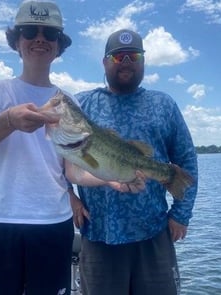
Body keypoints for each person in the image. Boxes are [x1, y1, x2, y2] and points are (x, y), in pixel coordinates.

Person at [66, 29, 198, 295]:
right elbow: (57, 159)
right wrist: (69, 196)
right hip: (99, 236)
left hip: (153, 234)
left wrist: (181, 215)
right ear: (104, 63)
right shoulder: (82, 104)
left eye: (133, 56)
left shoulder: (164, 104)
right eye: (117, 57)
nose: (126, 62)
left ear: (143, 62)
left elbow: (186, 160)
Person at [0, 1, 75, 294]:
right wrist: (9, 119)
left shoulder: (68, 102)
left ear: (59, 45)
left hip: (54, 222)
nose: (40, 38)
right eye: (30, 31)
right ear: (17, 42)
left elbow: (73, 169)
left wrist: (116, 179)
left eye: (49, 34)